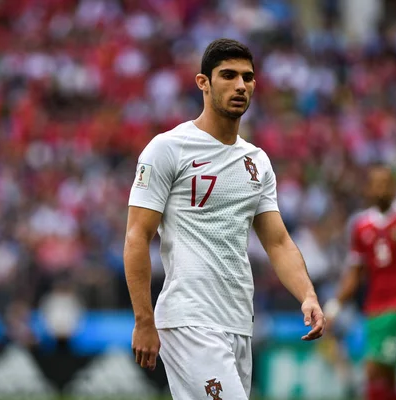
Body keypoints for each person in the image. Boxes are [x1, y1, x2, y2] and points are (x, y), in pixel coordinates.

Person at [123, 38, 325, 400]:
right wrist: (143, 319)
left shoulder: (256, 162)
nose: (239, 86)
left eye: (247, 78)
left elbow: (277, 242)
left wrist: (307, 294)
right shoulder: (168, 148)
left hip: (238, 322)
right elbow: (137, 235)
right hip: (190, 319)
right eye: (228, 76)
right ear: (203, 82)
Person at [325, 164, 396, 400]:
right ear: (367, 188)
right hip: (375, 309)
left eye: (386, 184)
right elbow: (355, 271)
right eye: (375, 184)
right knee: (387, 379)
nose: (380, 189)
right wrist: (335, 305)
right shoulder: (361, 226)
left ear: (394, 186)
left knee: (374, 370)